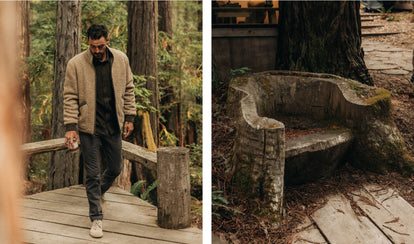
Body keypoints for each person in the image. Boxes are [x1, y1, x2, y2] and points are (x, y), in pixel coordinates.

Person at [63, 24, 136, 238]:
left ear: (108, 40)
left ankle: (97, 192)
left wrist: (130, 117)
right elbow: (69, 97)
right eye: (93, 46)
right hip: (88, 127)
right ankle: (96, 217)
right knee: (92, 174)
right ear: (88, 42)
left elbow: (129, 88)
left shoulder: (121, 59)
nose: (97, 50)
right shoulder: (75, 64)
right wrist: (70, 127)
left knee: (114, 168)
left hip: (113, 125)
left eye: (101, 45)